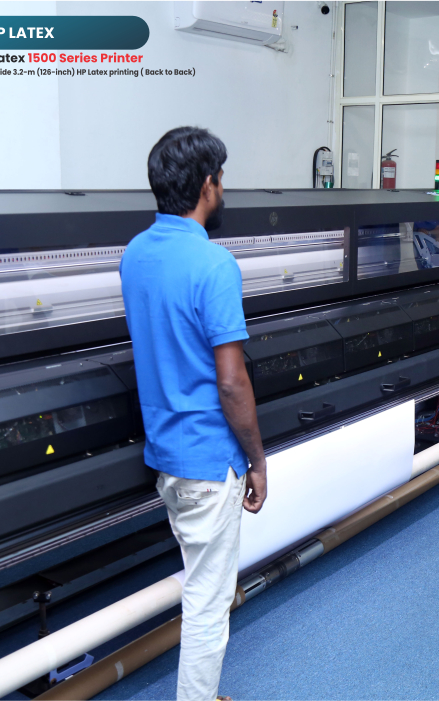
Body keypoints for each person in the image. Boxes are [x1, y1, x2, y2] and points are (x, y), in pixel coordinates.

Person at [120, 127, 268, 699]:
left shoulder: (135, 254)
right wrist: (257, 460)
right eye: (221, 179)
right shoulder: (214, 264)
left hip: (167, 455)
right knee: (209, 604)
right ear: (207, 184)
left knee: (199, 587)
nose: (223, 190)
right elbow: (231, 382)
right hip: (210, 462)